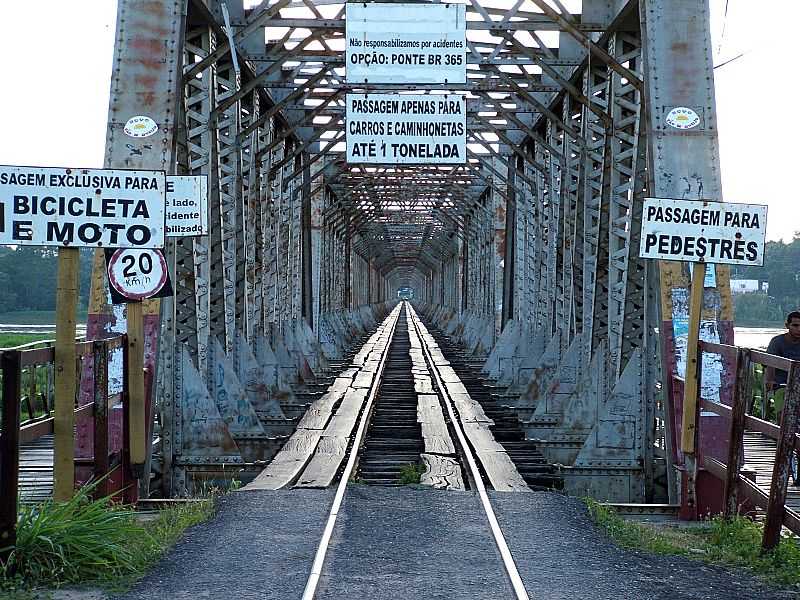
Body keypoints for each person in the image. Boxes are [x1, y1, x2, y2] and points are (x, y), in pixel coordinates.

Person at [765, 310, 800, 419]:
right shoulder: (777, 342)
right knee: (783, 414)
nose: (799, 329)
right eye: (795, 325)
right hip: (781, 384)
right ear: (787, 325)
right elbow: (770, 363)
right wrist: (770, 381)